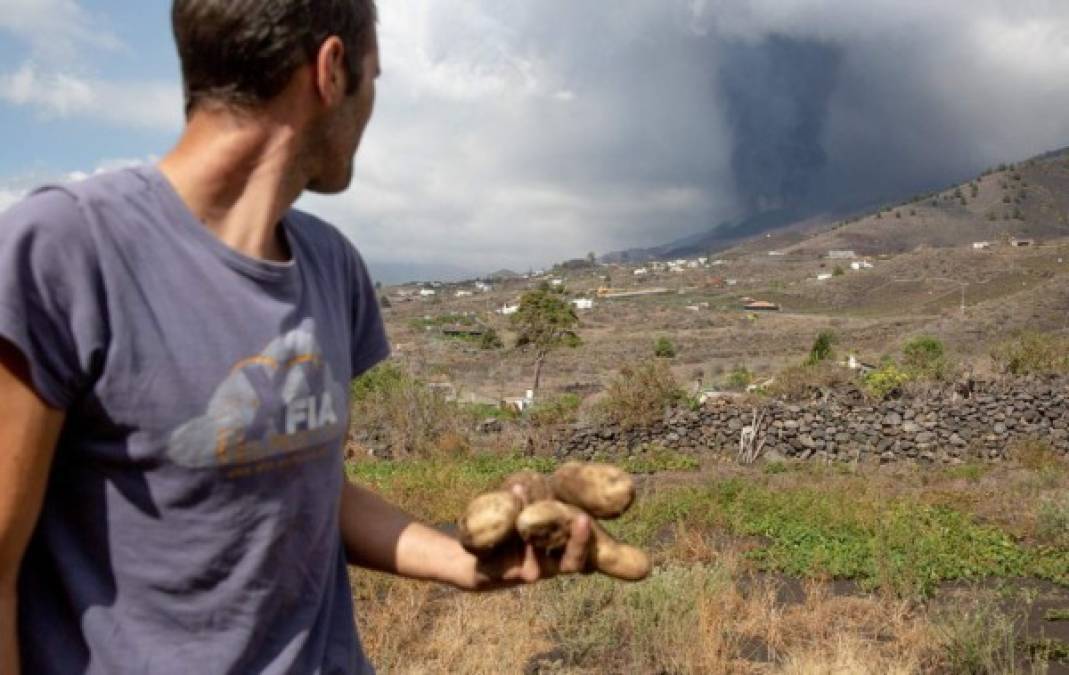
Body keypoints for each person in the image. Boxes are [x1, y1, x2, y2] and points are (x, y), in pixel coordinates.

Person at [0, 1, 591, 672]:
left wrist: (465, 561)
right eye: (373, 77)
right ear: (331, 69)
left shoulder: (331, 267)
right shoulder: (66, 250)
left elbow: (310, 489)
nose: (370, 107)